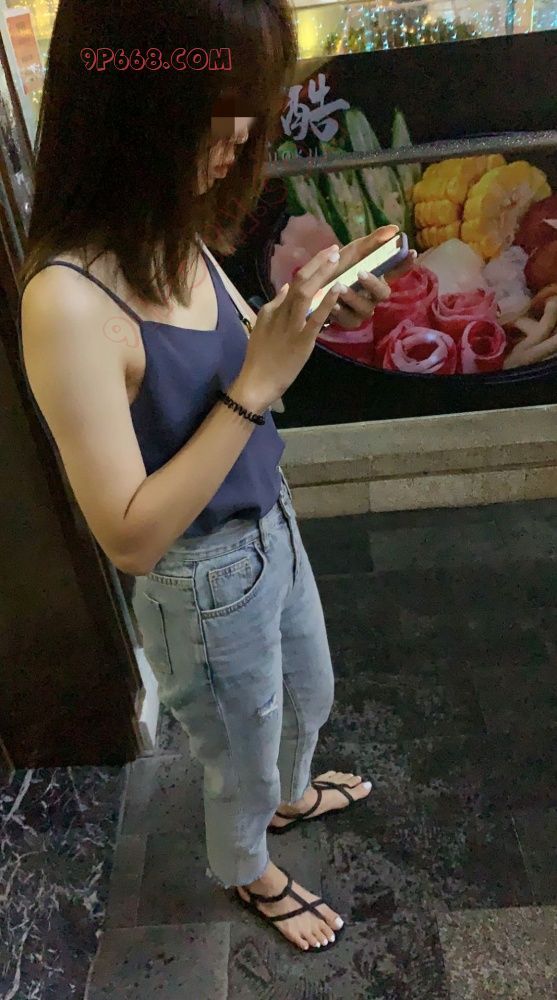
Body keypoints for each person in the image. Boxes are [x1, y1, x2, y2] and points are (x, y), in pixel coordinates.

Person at [19, 0, 414, 953]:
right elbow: (129, 536)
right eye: (221, 113)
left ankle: (285, 798)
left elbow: (240, 372)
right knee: (236, 750)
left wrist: (306, 311)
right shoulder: (66, 301)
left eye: (248, 110)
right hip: (200, 578)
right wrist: (254, 383)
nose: (240, 140)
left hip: (270, 523)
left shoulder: (173, 233)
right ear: (133, 110)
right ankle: (245, 866)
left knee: (307, 696)